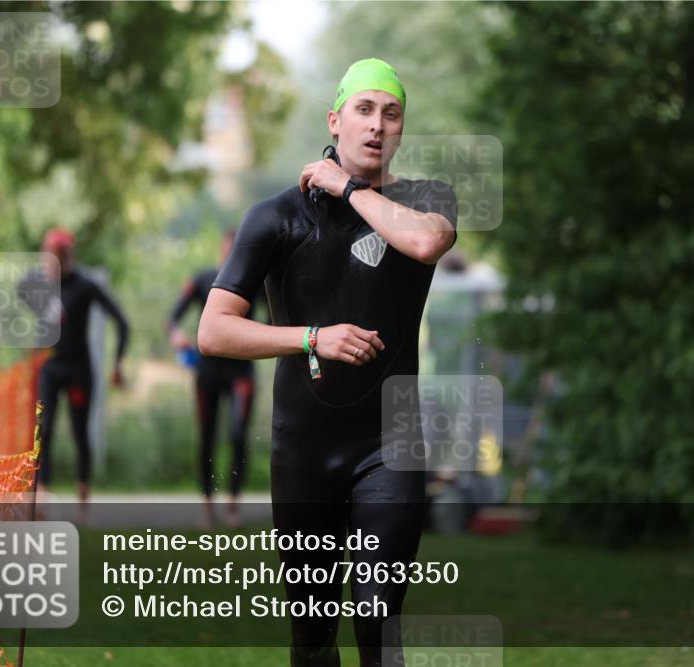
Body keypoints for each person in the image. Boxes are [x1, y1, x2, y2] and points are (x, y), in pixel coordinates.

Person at [198, 58, 457, 667]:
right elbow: (214, 331)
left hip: (389, 447)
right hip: (303, 452)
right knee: (313, 637)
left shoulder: (426, 202)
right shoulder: (276, 217)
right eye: (363, 111)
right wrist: (311, 338)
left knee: (377, 622)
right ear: (335, 120)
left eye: (390, 114)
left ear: (400, 131)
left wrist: (346, 187)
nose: (377, 126)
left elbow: (424, 244)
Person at [20, 228, 130, 521]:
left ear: (68, 257)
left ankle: (83, 497)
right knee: (44, 431)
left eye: (55, 257)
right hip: (50, 368)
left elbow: (122, 323)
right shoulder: (40, 284)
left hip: (79, 370)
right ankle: (41, 497)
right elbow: (22, 292)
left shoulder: (85, 285)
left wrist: (117, 365)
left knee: (80, 433)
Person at [167, 230, 264, 528]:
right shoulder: (202, 279)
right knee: (207, 437)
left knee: (237, 434)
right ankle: (208, 508)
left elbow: (278, 318)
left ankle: (233, 506)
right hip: (208, 370)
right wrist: (177, 336)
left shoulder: (257, 281)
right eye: (228, 248)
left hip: (241, 370)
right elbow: (173, 318)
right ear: (223, 250)